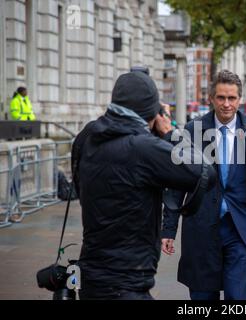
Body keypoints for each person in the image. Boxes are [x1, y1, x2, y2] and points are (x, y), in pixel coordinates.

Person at [72, 69, 216, 300]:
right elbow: (204, 172)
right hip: (127, 280)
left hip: (91, 273)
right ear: (152, 111)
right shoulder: (143, 148)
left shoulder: (87, 137)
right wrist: (169, 134)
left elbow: (80, 189)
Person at [161, 70, 246, 300]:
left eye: (232, 98)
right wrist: (168, 229)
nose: (227, 104)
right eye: (221, 98)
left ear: (240, 99)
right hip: (201, 231)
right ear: (211, 98)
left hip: (242, 231)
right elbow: (176, 184)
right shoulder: (192, 130)